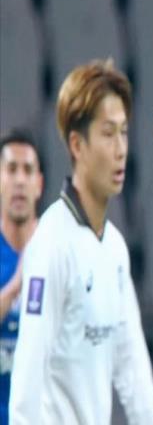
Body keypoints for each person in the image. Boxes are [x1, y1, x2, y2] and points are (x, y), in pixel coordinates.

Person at [9, 59, 153, 425]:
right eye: (108, 134)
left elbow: (135, 376)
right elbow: (25, 388)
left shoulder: (115, 249)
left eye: (124, 132)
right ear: (77, 145)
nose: (121, 149)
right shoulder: (51, 244)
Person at [0, 130, 43, 424]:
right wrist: (15, 286)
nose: (19, 180)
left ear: (39, 184)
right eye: (11, 169)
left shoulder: (56, 250)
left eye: (27, 170)